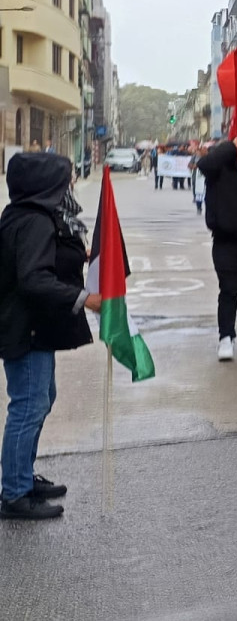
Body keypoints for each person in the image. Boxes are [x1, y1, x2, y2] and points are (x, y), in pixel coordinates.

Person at [0, 152, 98, 520]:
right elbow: (34, 278)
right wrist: (85, 299)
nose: (69, 186)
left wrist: (79, 255)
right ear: (46, 186)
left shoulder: (29, 215)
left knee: (41, 399)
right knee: (28, 406)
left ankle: (21, 475)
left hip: (34, 327)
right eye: (64, 180)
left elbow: (45, 259)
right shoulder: (34, 221)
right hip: (26, 329)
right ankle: (15, 493)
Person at [198, 140, 237, 361]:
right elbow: (204, 165)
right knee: (229, 288)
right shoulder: (220, 164)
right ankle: (226, 336)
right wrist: (233, 144)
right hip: (224, 240)